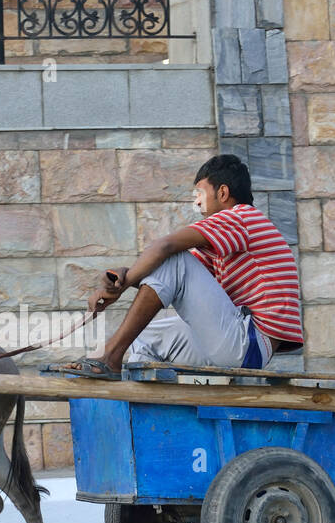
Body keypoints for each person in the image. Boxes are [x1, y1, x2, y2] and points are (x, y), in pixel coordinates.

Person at [56, 153, 303, 378]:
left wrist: (121, 286)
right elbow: (167, 279)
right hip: (238, 346)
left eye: (200, 193)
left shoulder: (241, 217)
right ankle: (135, 398)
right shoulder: (226, 241)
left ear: (223, 193)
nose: (197, 202)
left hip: (249, 345)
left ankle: (109, 358)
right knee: (144, 337)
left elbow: (166, 250)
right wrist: (124, 277)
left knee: (174, 257)